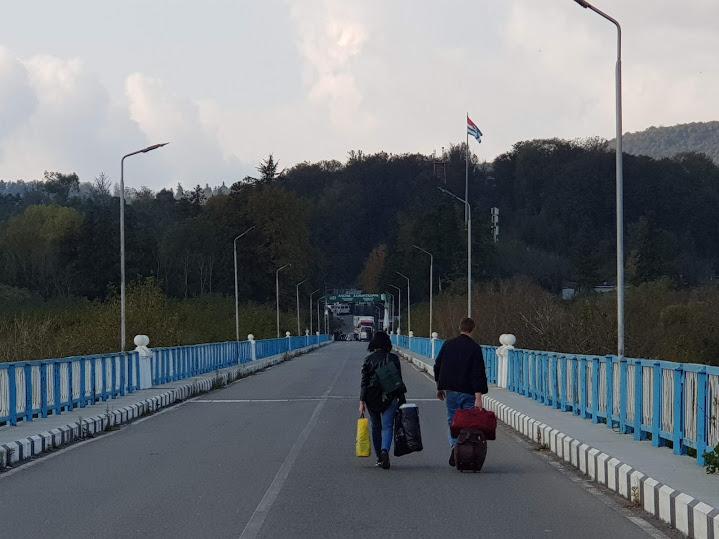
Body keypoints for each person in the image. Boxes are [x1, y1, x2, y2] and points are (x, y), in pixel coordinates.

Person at [434, 317, 488, 467]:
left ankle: (454, 446)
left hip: (450, 390)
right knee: (469, 422)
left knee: (453, 420)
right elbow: (478, 373)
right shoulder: (475, 348)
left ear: (460, 328)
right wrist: (479, 396)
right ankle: (466, 451)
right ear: (473, 329)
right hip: (469, 391)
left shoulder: (448, 344)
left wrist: (439, 386)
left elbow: (438, 365)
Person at [359, 331, 407, 469]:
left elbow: (364, 382)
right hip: (390, 395)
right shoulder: (393, 358)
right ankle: (385, 450)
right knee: (387, 427)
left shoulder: (368, 360)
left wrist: (361, 401)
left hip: (371, 397)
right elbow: (399, 380)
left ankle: (379, 457)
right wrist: (401, 398)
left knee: (376, 426)